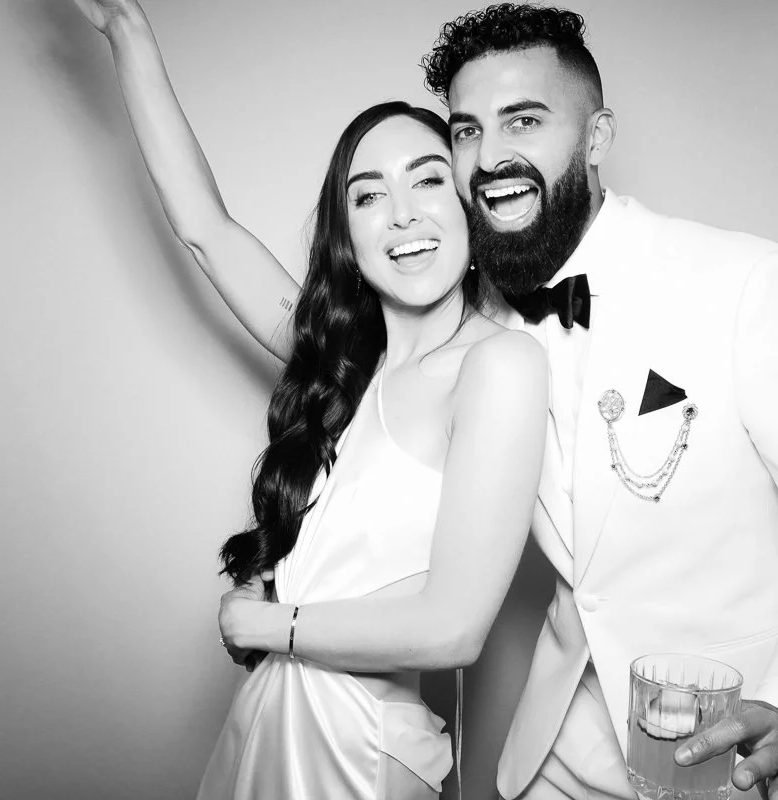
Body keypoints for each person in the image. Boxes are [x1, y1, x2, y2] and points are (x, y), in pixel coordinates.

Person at [70, 1, 548, 798]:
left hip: (363, 754)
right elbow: (205, 229)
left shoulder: (500, 365)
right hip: (268, 722)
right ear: (349, 241)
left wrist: (276, 624)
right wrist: (127, 28)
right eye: (368, 196)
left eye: (429, 179)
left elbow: (454, 626)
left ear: (468, 206)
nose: (403, 214)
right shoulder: (343, 371)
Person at [415, 5, 778, 800]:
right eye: (468, 129)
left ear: (597, 137)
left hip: (728, 762)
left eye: (525, 120)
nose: (490, 156)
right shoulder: (467, 325)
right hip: (553, 759)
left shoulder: (744, 281)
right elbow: (306, 328)